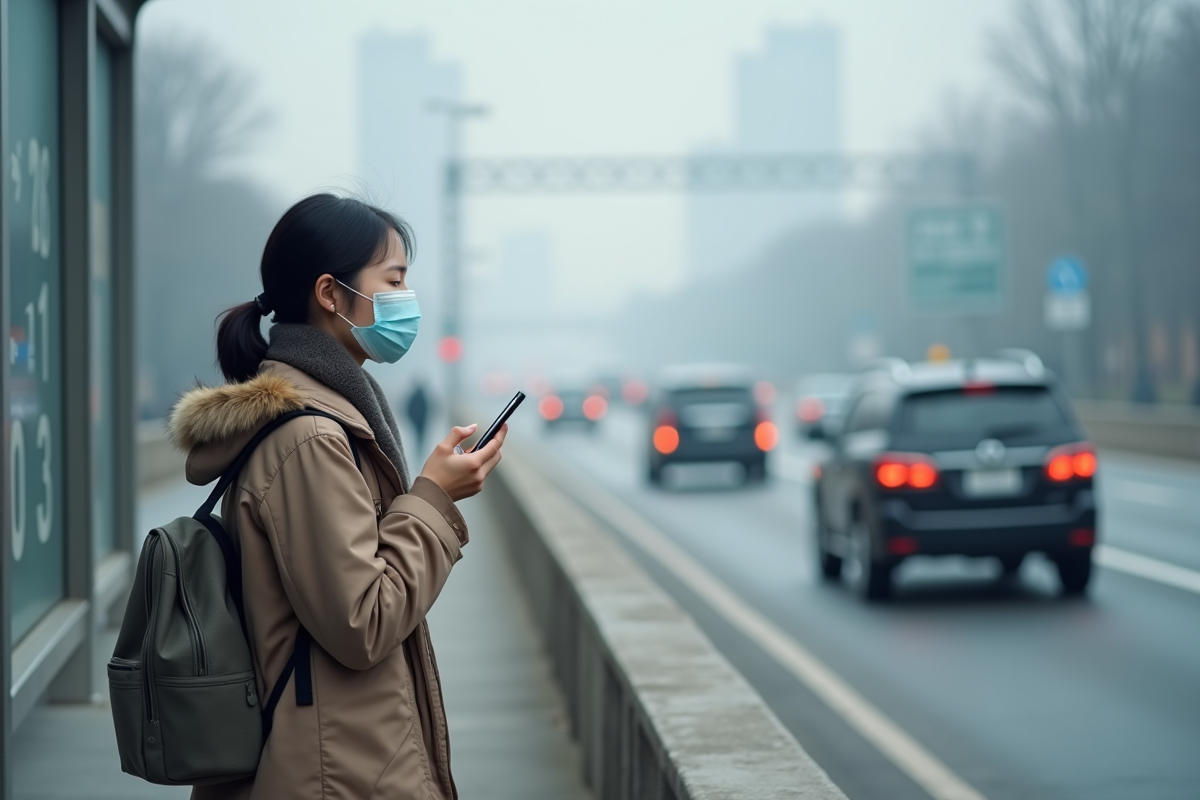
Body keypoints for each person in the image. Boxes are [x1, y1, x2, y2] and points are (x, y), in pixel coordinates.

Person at [169, 193, 504, 800]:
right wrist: (433, 499)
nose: (408, 300)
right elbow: (363, 621)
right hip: (331, 772)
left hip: (339, 757)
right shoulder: (311, 439)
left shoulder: (325, 417)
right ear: (330, 294)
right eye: (394, 280)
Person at [405, 379, 432, 454]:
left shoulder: (414, 396)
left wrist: (411, 419)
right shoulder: (423, 397)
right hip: (421, 421)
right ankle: (420, 449)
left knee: (417, 435)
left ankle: (418, 449)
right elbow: (428, 408)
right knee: (421, 435)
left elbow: (408, 409)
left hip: (417, 421)